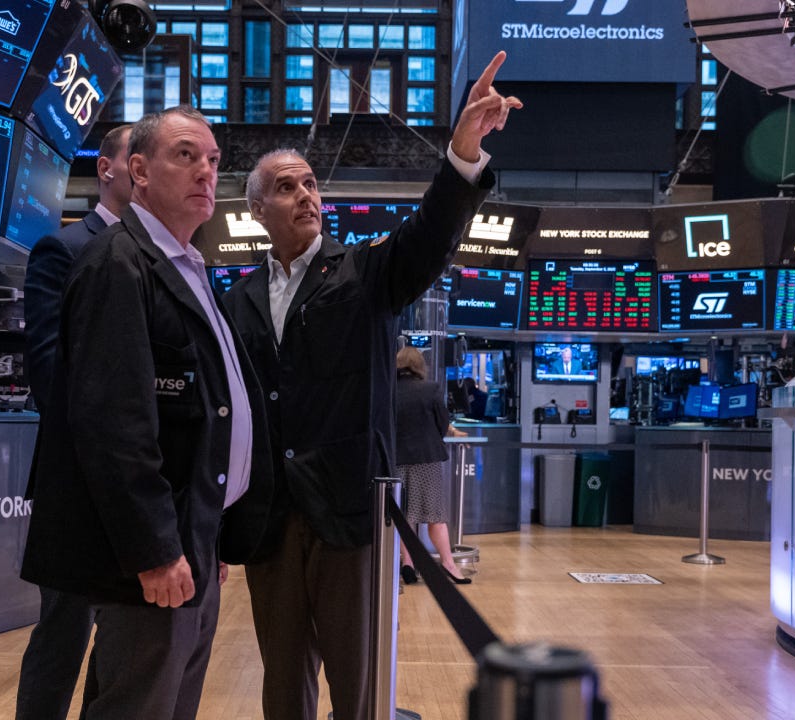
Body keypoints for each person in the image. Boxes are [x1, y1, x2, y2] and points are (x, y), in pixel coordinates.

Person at [222, 50, 521, 720]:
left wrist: (462, 152)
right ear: (257, 208)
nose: (307, 195)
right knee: (281, 683)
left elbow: (429, 237)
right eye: (288, 187)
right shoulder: (237, 301)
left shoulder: (363, 276)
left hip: (346, 515)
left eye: (311, 185)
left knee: (357, 688)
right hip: (268, 521)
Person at [19, 106, 274, 720]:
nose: (205, 172)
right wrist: (155, 548)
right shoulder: (117, 262)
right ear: (137, 169)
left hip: (194, 536)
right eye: (185, 155)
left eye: (213, 161)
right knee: (137, 704)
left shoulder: (187, 265)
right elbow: (114, 423)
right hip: (156, 553)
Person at [16, 123, 131, 720]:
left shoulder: (163, 258)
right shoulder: (63, 249)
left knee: (125, 644)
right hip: (74, 485)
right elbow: (48, 373)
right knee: (63, 634)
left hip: (140, 490)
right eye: (136, 156)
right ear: (107, 170)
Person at [393, 347, 469, 586]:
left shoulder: (387, 390)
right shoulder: (430, 389)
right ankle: (448, 564)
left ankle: (408, 563)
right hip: (427, 460)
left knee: (405, 516)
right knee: (435, 515)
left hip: (395, 460)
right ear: (419, 365)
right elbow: (442, 422)